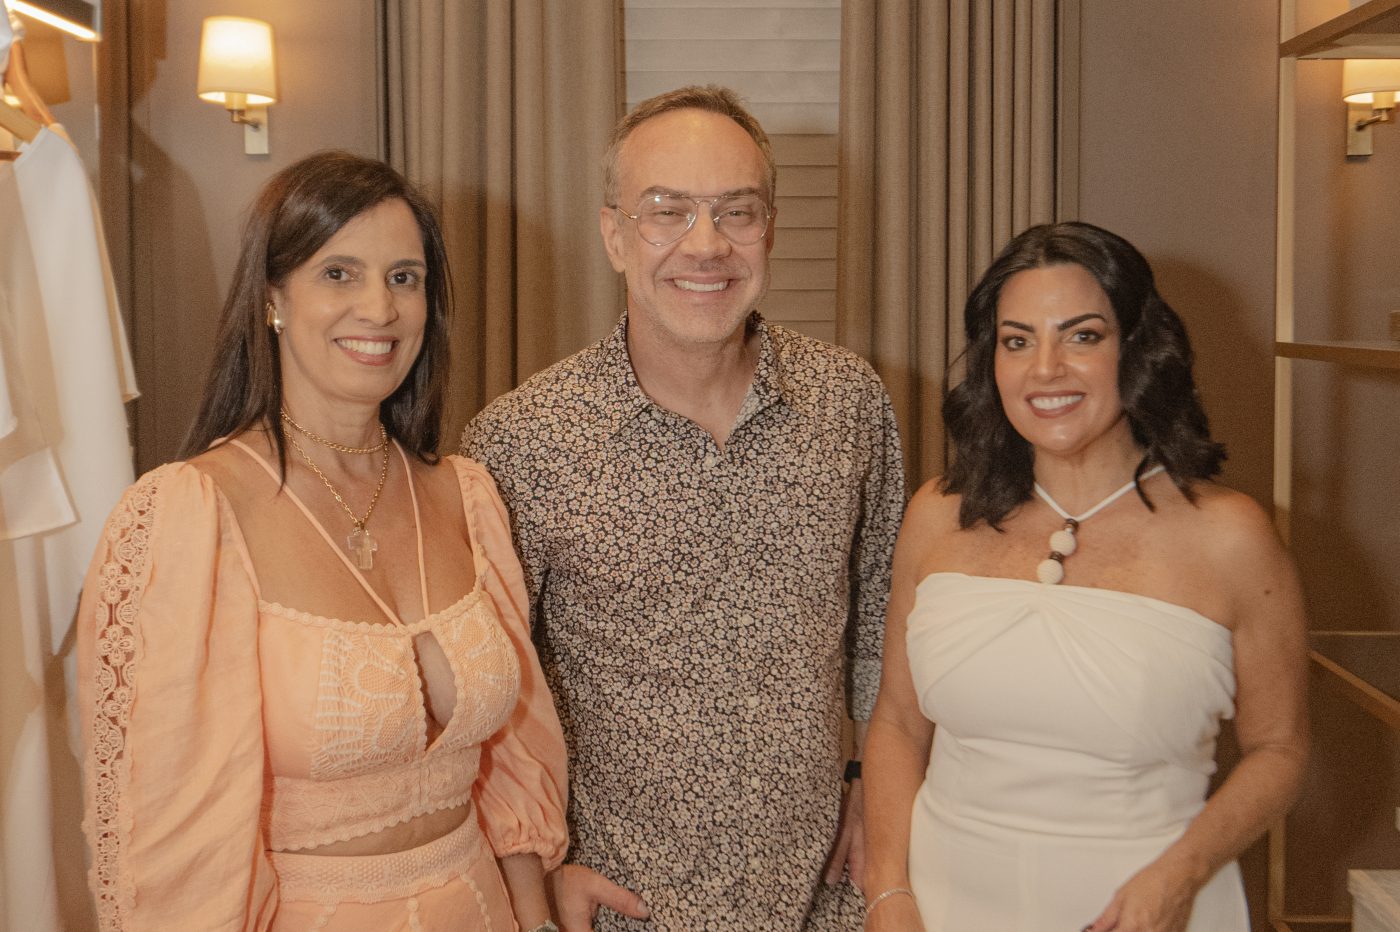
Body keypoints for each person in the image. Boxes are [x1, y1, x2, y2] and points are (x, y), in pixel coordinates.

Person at [76, 151, 568, 931]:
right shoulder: (189, 516)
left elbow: (511, 762)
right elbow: (171, 841)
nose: (379, 307)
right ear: (272, 297)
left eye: (404, 278)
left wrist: (535, 917)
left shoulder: (465, 496)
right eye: (339, 273)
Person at [461, 85, 906, 930]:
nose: (706, 247)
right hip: (625, 909)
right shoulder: (520, 443)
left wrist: (866, 787)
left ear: (770, 228)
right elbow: (491, 704)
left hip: (828, 902)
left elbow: (884, 622)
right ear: (614, 234)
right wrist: (537, 875)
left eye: (737, 211)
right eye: (667, 211)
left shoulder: (850, 404)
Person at [861, 221, 1309, 931]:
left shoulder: (1232, 536)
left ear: (1136, 348)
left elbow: (1280, 749)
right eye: (1017, 341)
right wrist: (888, 890)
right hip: (941, 905)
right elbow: (895, 721)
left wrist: (1180, 873)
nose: (1046, 369)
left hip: (1152, 909)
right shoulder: (938, 516)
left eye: (1082, 336)